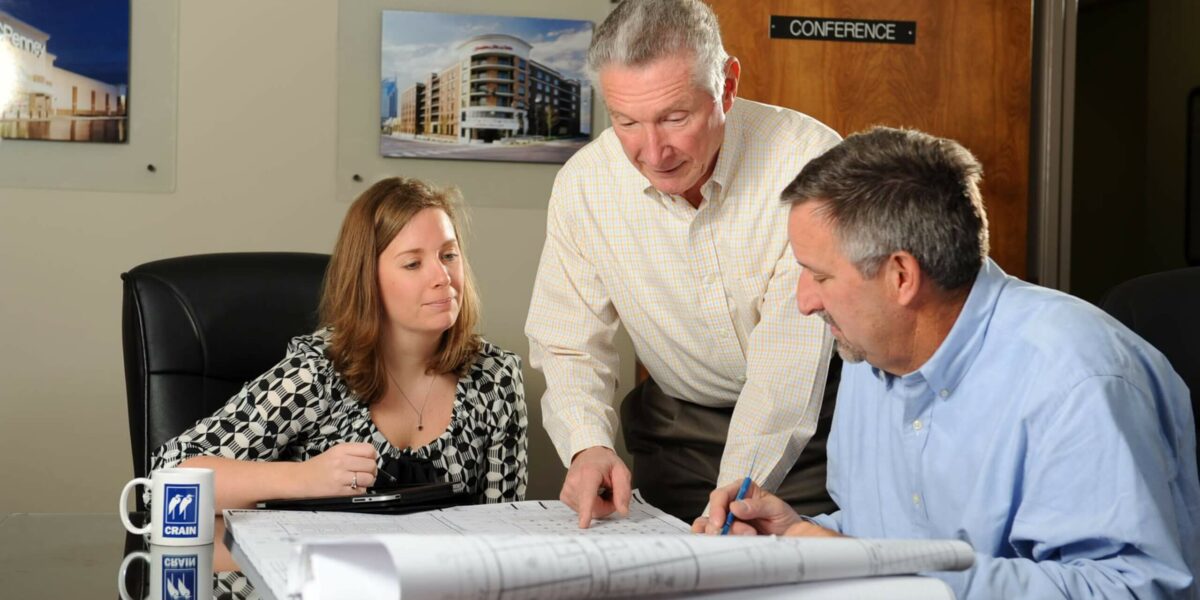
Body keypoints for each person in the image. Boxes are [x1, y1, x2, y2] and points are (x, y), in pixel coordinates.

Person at [697, 126, 1200, 598]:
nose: (804, 301)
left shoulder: (1078, 380)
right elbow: (880, 534)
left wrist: (876, 566)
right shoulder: (867, 352)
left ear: (901, 277)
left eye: (819, 276)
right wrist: (795, 534)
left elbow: (1129, 589)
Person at [526, 0, 842, 527]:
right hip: (676, 427)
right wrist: (586, 446)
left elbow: (787, 370)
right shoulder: (584, 184)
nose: (653, 151)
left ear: (728, 86)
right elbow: (568, 340)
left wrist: (735, 496)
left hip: (814, 429)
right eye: (626, 121)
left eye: (675, 118)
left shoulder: (808, 163)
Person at [153, 177, 528, 510]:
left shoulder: (495, 378)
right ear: (368, 280)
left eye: (449, 255)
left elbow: (501, 529)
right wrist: (303, 479)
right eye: (413, 264)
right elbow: (164, 481)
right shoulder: (317, 373)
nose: (443, 276)